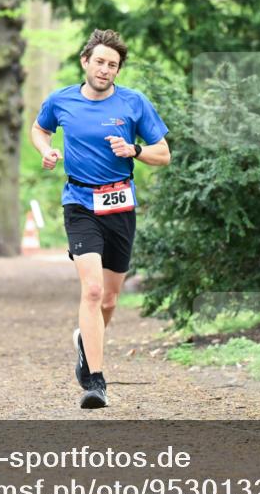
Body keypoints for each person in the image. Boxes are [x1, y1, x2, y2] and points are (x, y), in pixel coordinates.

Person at [30, 28, 170, 409]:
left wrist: (134, 149)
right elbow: (39, 129)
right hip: (80, 203)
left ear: (118, 69)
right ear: (85, 61)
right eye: (100, 62)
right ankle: (96, 380)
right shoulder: (61, 100)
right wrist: (47, 150)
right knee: (91, 291)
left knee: (109, 298)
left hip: (120, 204)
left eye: (113, 64)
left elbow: (164, 153)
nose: (105, 69)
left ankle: (84, 341)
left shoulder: (134, 103)